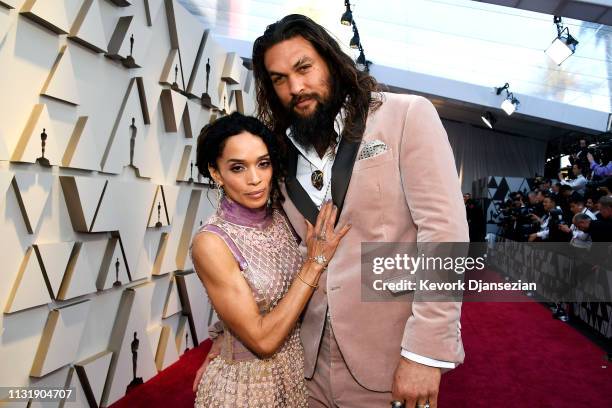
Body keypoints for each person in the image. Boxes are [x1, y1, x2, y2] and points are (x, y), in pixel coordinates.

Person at [250, 14, 467, 408]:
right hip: (307, 364)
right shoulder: (279, 154)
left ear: (331, 61)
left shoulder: (405, 116)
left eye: (304, 67)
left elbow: (445, 235)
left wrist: (424, 354)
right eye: (278, 78)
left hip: (391, 358)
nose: (295, 87)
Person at [190, 112, 350, 407]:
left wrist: (221, 334)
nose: (255, 179)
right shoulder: (211, 243)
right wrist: (314, 264)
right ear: (215, 172)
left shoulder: (280, 217)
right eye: (238, 168)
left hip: (293, 378)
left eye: (263, 163)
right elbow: (263, 341)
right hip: (244, 389)